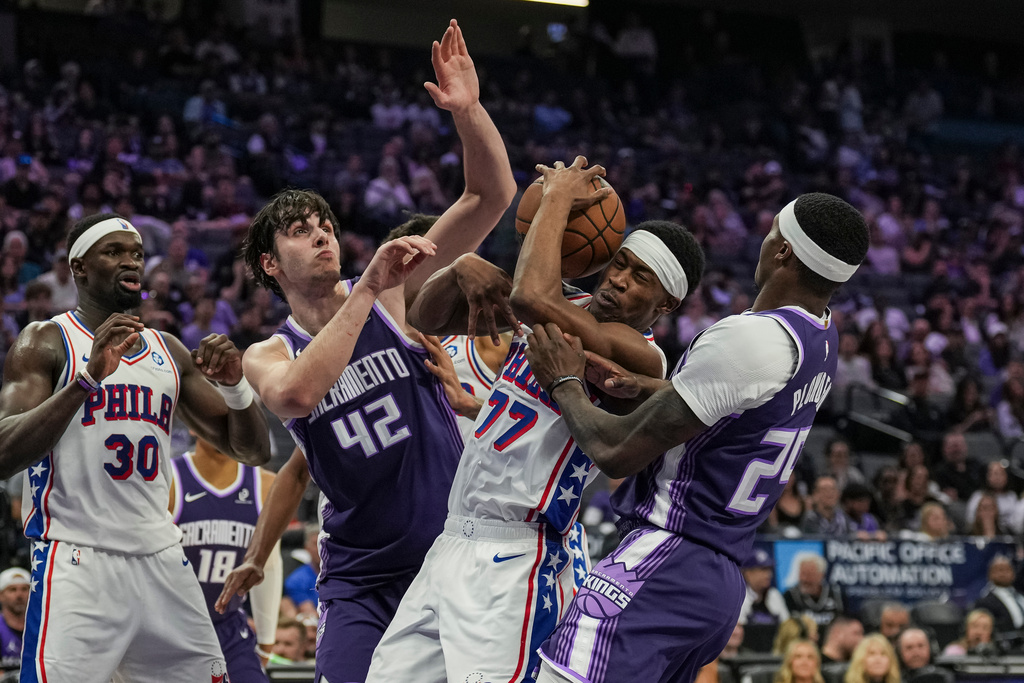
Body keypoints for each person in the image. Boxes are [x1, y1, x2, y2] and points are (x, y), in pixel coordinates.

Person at [216, 19, 518, 683]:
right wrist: (372, 288)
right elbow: (296, 395)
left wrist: (469, 113)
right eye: (301, 232)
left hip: (448, 556)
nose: (322, 236)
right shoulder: (269, 349)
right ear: (270, 263)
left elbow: (489, 195)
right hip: (360, 580)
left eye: (326, 225)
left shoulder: (390, 291)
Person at [366, 158, 704, 682]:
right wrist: (459, 269)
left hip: (518, 559)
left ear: (666, 303)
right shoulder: (569, 303)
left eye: (640, 278)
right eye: (621, 263)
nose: (618, 279)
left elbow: (529, 295)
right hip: (452, 537)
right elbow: (424, 317)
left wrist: (558, 196)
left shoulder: (639, 354)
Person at [526, 192, 869, 683]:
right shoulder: (822, 337)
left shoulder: (747, 338)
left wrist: (564, 382)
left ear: (783, 251)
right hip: (720, 580)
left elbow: (615, 452)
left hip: (668, 555)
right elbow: (746, 411)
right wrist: (659, 390)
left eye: (772, 229)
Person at [0, 213, 272, 682]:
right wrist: (85, 380)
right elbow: (4, 450)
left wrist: (236, 388)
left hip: (162, 558)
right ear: (79, 268)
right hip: (78, 558)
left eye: (138, 254)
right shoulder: (45, 340)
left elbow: (252, 451)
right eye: (114, 252)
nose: (131, 262)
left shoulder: (168, 349)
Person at [170, 436, 282, 680]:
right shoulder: (168, 479)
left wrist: (266, 639)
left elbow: (269, 565)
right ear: (193, 423)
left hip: (228, 627)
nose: (223, 427)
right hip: (172, 629)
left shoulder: (264, 484)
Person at [784, 556, 846, 628]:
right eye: (801, 574)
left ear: (821, 575)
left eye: (808, 574)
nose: (804, 579)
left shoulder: (836, 595)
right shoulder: (790, 596)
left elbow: (846, 622)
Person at [973, 555, 1024, 639]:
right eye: (999, 570)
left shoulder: (1020, 596)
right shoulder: (985, 602)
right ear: (990, 575)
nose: (1003, 574)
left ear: (1013, 574)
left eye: (1007, 570)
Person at [739, 548, 790, 626]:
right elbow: (738, 629)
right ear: (748, 573)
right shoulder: (740, 597)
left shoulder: (775, 595)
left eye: (769, 569)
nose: (768, 575)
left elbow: (787, 626)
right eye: (763, 570)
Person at [0, 568, 28, 674]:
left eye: (25, 589)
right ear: (1, 595)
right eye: (12, 590)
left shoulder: (41, 629)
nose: (19, 595)